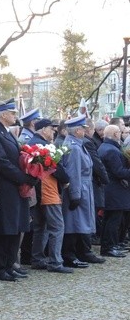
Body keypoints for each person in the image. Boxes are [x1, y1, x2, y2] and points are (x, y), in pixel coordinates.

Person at [0, 98, 36, 282]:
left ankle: (9, 265)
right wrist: (22, 177)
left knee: (16, 227)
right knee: (5, 228)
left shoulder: (6, 132)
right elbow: (2, 162)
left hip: (15, 187)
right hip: (6, 187)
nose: (15, 116)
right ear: (3, 114)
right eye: (12, 113)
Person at [27, 118, 73, 273]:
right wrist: (66, 180)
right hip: (48, 190)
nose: (54, 131)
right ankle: (55, 262)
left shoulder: (31, 143)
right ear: (43, 129)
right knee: (57, 227)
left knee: (40, 227)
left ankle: (38, 259)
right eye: (51, 128)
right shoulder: (44, 146)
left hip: (37, 191)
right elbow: (56, 167)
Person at [60, 115, 94, 269]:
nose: (85, 131)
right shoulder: (73, 147)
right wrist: (75, 195)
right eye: (84, 129)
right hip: (78, 188)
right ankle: (69, 256)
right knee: (73, 223)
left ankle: (74, 254)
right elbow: (74, 173)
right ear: (78, 131)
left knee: (78, 223)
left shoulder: (76, 144)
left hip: (83, 187)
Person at [98, 125, 130, 258]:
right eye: (119, 132)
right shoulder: (111, 150)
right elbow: (118, 172)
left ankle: (110, 245)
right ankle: (109, 247)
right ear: (115, 134)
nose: (121, 134)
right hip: (114, 190)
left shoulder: (105, 147)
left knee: (110, 219)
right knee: (113, 220)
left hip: (111, 190)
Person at [83, 118, 109, 259]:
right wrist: (106, 180)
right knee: (89, 216)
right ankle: (86, 250)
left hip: (90, 183)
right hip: (91, 183)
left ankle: (85, 249)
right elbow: (97, 164)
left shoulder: (86, 142)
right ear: (90, 129)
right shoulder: (88, 143)